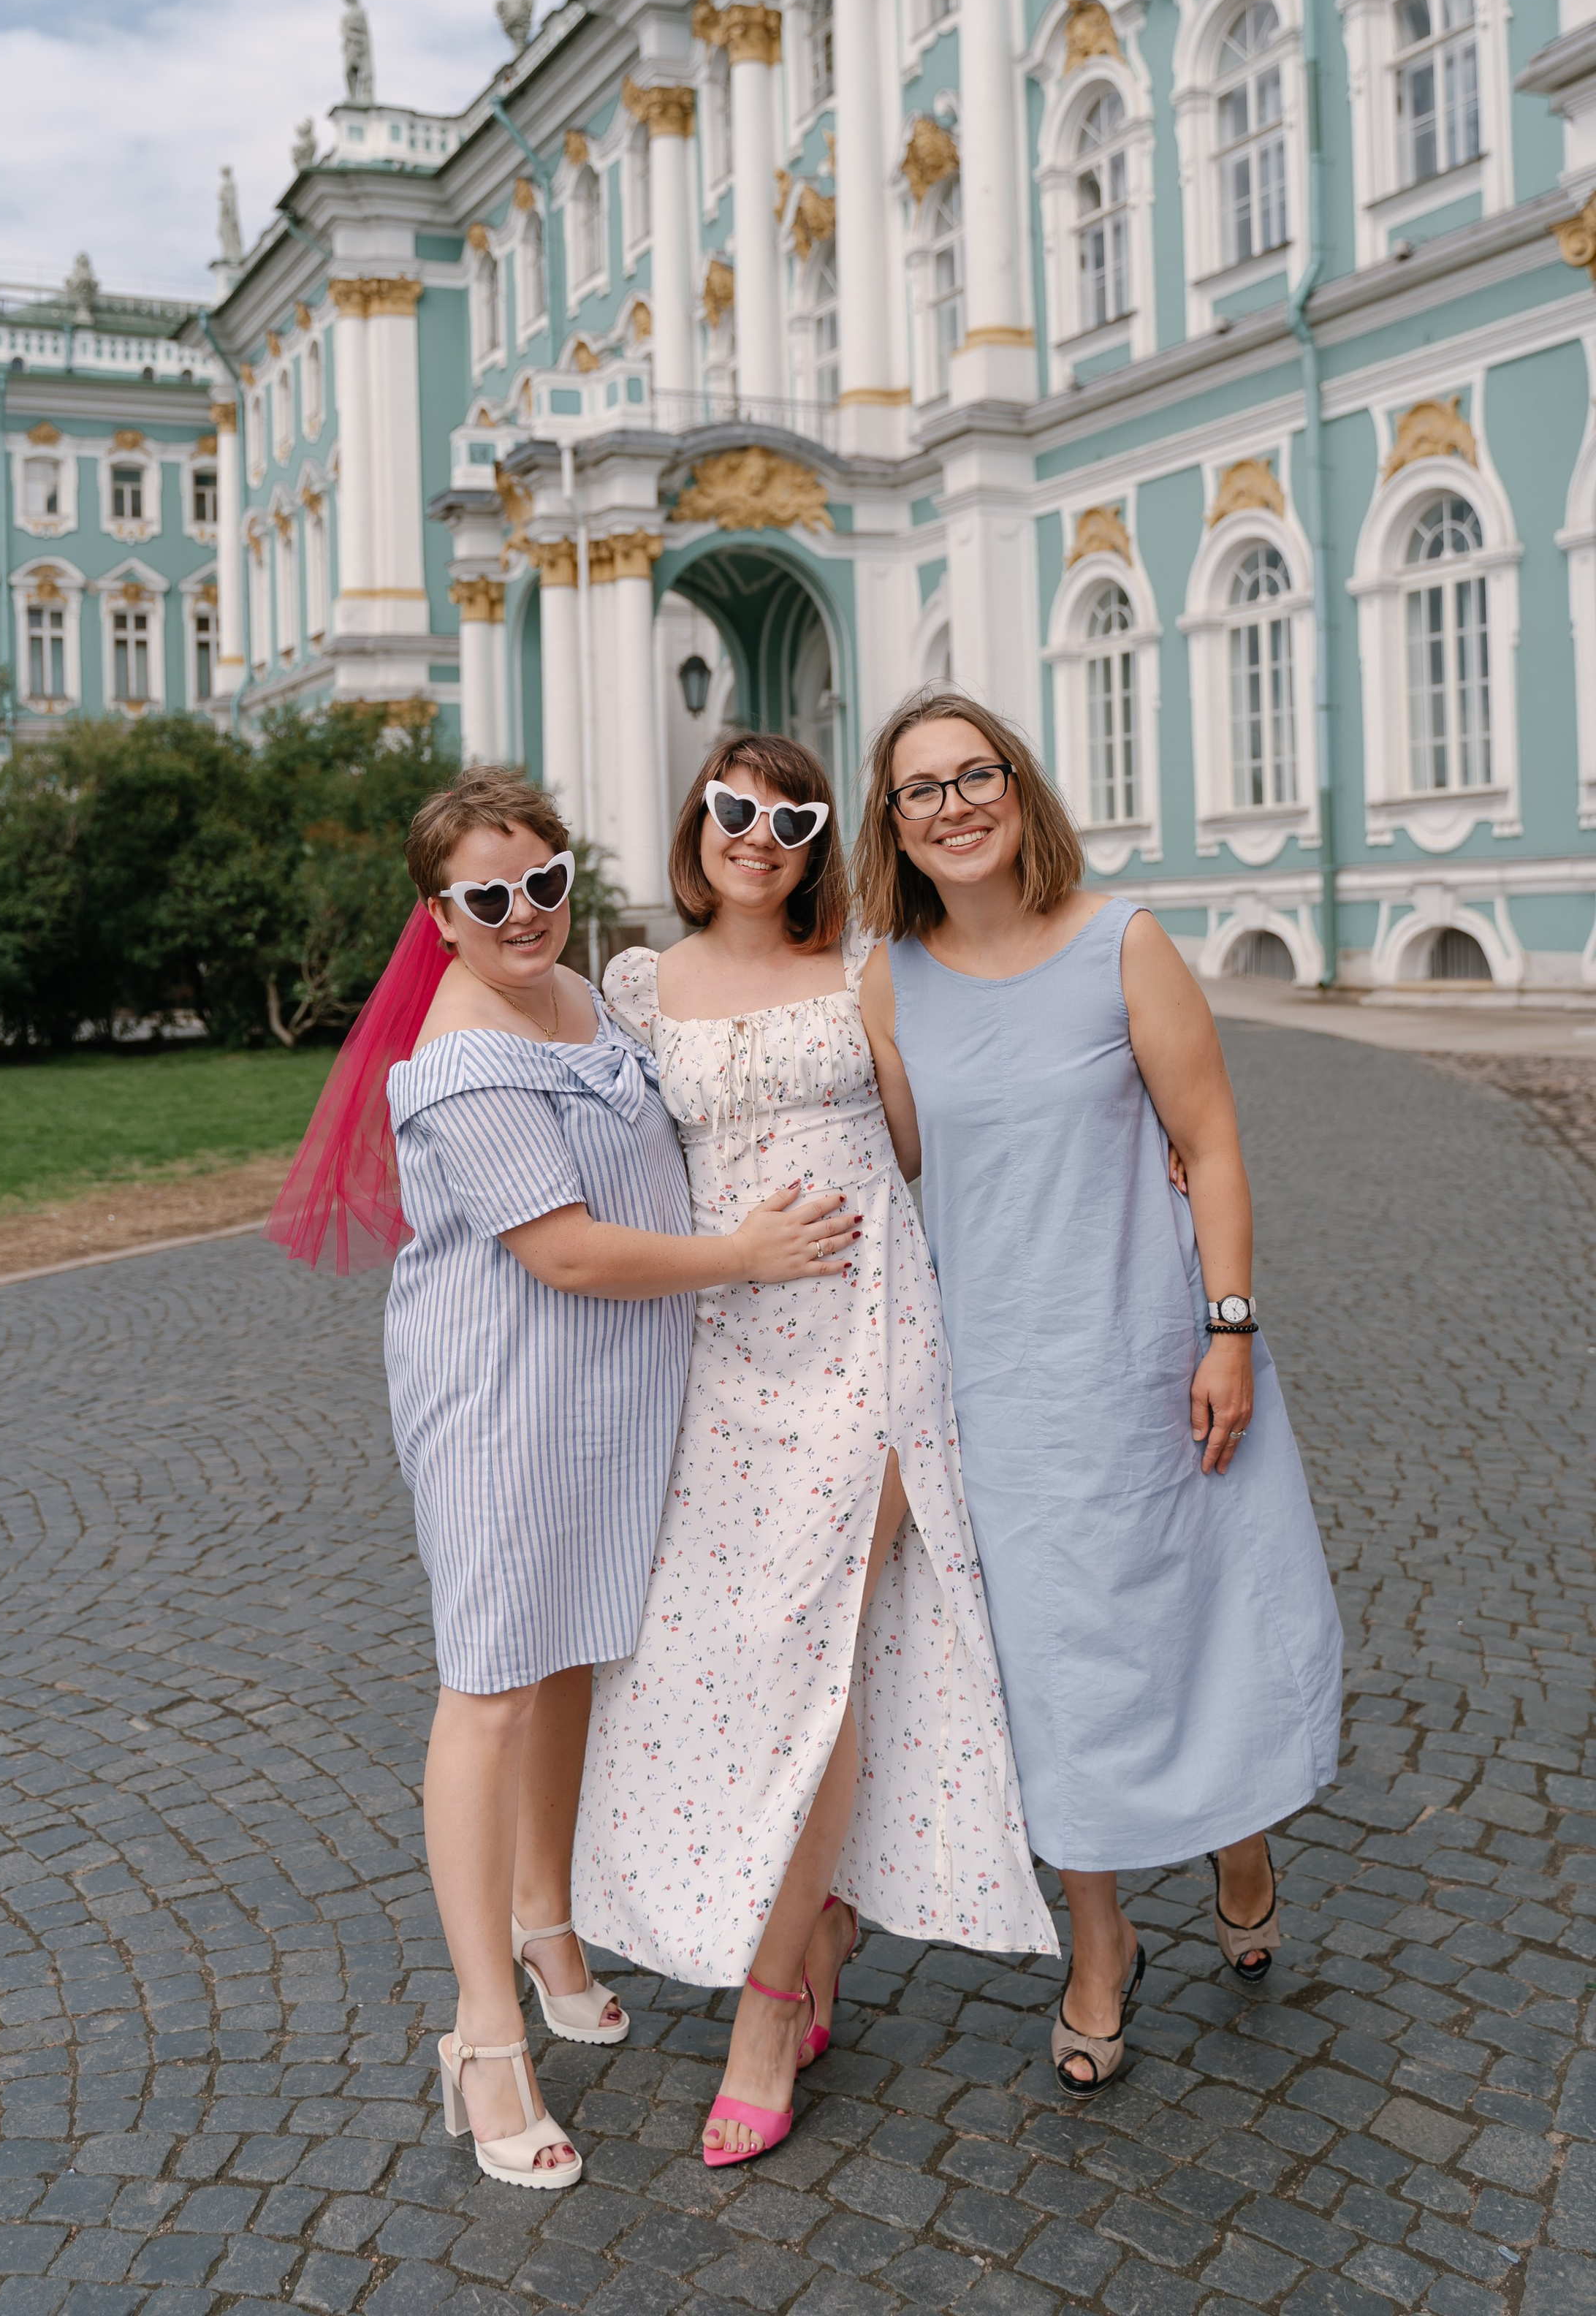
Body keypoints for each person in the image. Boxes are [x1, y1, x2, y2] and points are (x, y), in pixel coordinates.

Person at [367, 767, 854, 2192]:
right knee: (492, 1687)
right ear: (438, 917)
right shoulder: (462, 1056)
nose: (524, 913)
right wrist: (740, 1262)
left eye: (544, 882)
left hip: (609, 1396)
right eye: (487, 897)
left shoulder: (584, 997)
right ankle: (483, 2035)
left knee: (575, 1657)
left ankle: (548, 1922)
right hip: (502, 1403)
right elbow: (565, 1251)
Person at [853, 688, 1344, 2096]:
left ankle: (1238, 1839)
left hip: (1153, 1360)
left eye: (974, 776)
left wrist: (1230, 1330)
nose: (952, 807)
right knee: (1053, 1679)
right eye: (919, 791)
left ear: (1020, 787)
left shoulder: (1122, 944)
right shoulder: (890, 982)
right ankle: (1098, 1942)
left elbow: (1215, 1141)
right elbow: (894, 1180)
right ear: (894, 825)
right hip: (999, 1393)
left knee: (1201, 1626)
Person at [574, 734, 1055, 2168]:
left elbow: (951, 1140)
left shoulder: (866, 972)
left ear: (817, 838)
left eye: (791, 814)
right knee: (720, 1657)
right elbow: (601, 1166)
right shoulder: (635, 987)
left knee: (820, 1652)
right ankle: (823, 1919)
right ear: (696, 820)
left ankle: (770, 2002)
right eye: (733, 806)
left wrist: (1133, 1146)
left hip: (867, 1346)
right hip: (715, 1364)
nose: (758, 832)